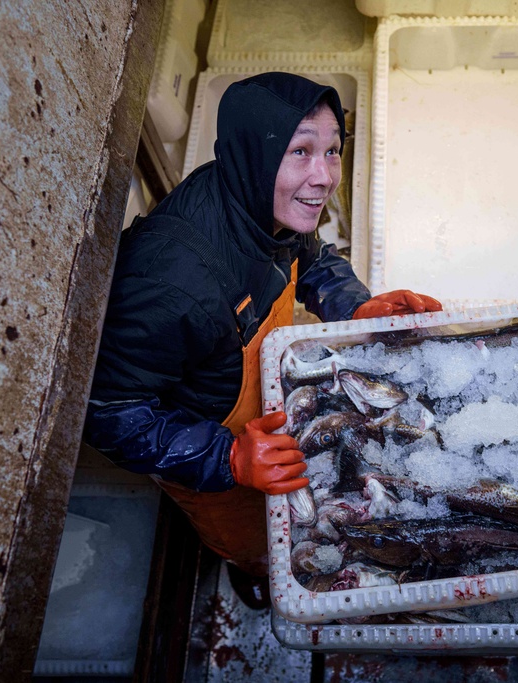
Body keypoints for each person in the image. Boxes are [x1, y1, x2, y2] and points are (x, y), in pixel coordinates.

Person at [83, 72, 441, 608]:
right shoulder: (171, 282)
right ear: (256, 152)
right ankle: (253, 569)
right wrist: (227, 459)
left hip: (273, 401)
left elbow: (313, 260)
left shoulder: (268, 195)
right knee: (245, 532)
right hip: (212, 444)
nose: (323, 177)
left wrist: (357, 306)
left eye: (332, 151)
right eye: (300, 151)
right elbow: (106, 411)